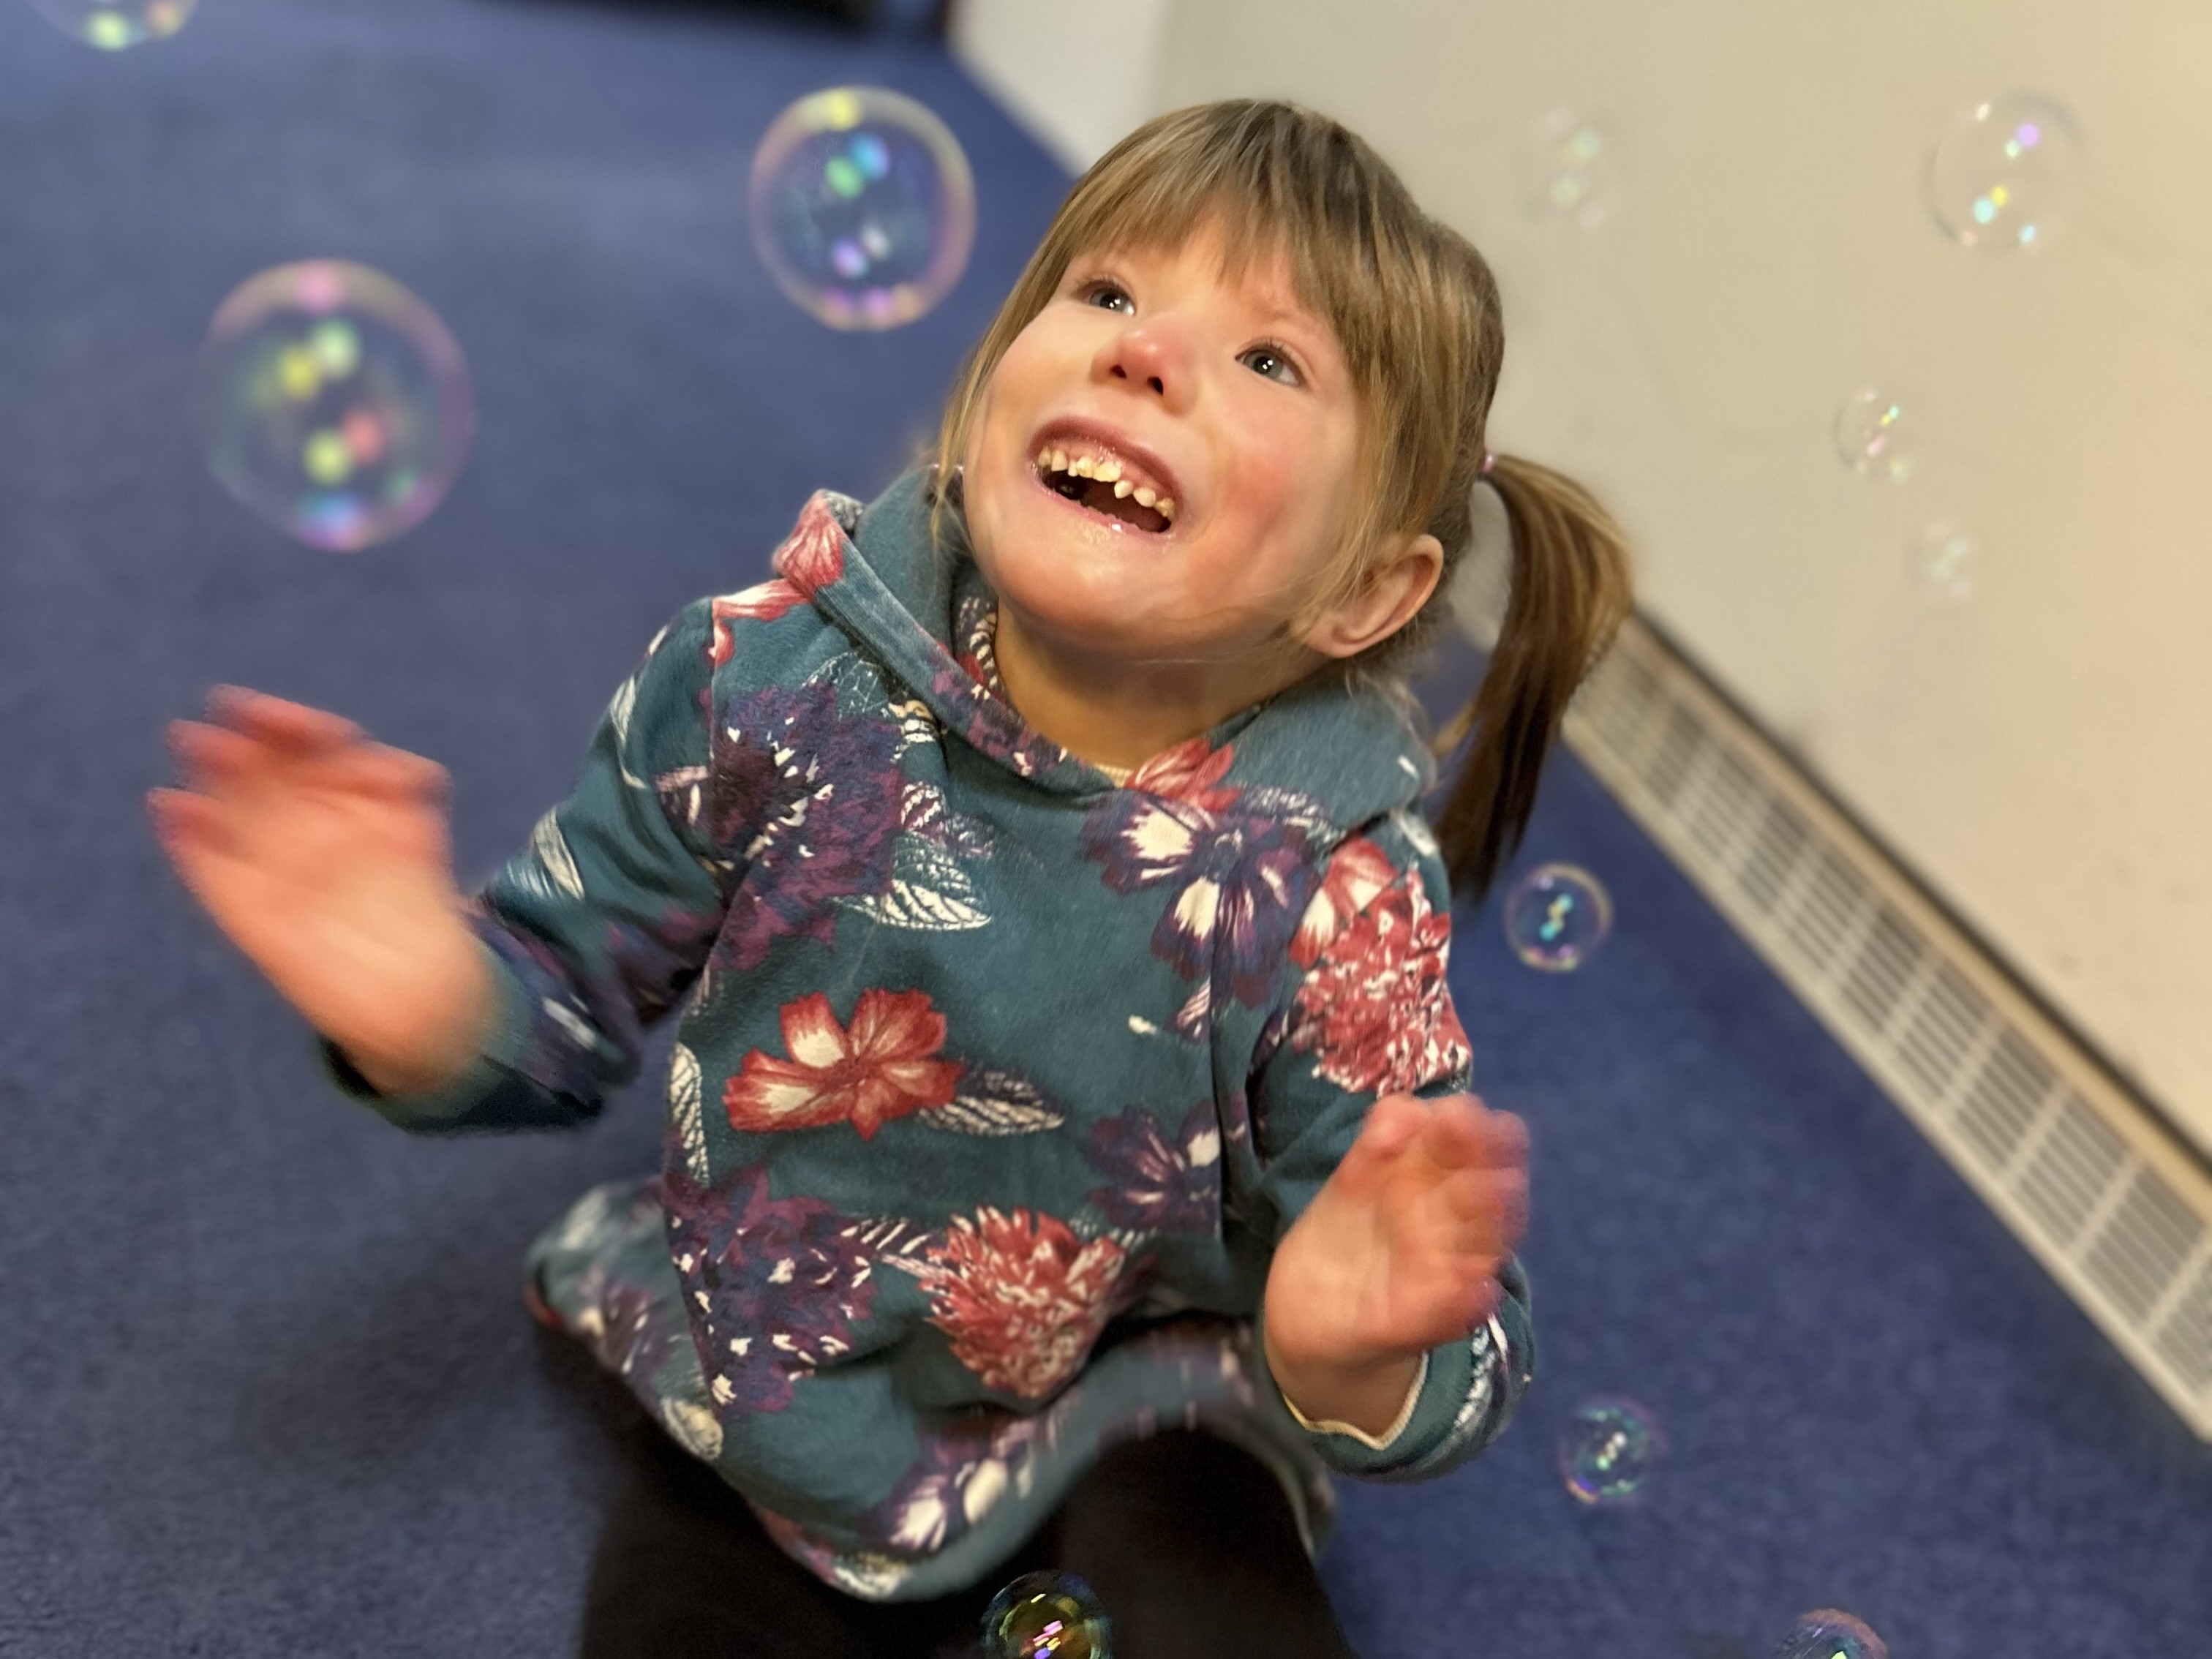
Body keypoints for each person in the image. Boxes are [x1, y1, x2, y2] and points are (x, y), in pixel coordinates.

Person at [147, 99, 1631, 1658]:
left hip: (1159, 1385)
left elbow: (1459, 1339)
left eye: (1272, 360)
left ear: (1366, 591)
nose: (1144, 354)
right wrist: (429, 996)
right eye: (1109, 294)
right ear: (999, 376)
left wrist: (1351, 1349)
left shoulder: (1338, 891)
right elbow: (558, 994)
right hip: (787, 1367)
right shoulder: (770, 672)